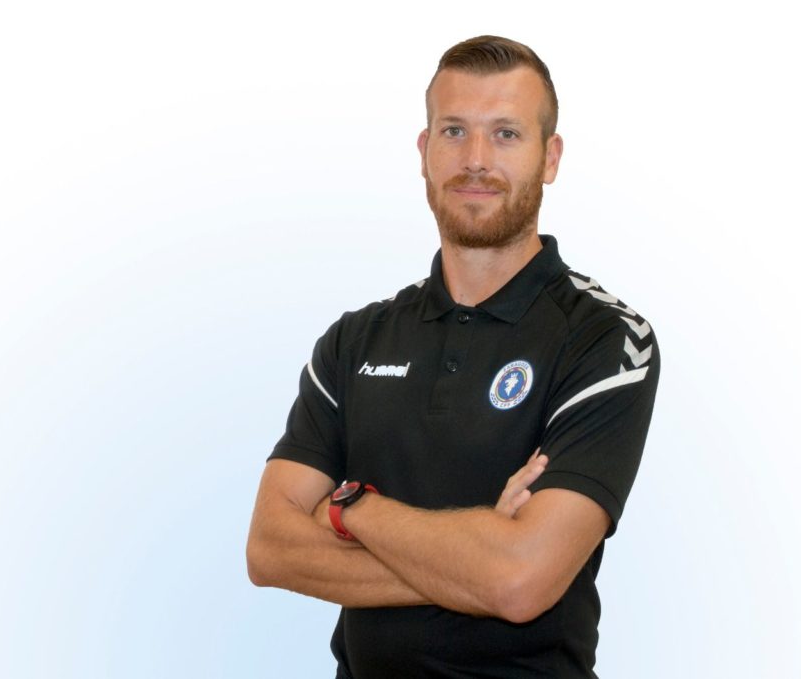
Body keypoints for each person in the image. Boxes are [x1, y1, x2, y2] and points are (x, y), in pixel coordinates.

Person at [246, 34, 660, 678]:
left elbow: (520, 582)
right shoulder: (355, 342)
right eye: (454, 131)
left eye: (506, 134)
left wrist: (352, 507)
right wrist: (477, 560)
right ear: (424, 152)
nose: (475, 160)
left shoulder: (605, 339)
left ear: (550, 158)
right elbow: (269, 549)